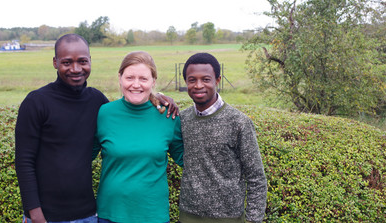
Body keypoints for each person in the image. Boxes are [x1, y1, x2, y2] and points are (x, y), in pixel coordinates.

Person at [15, 34, 177, 223]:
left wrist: (156, 97)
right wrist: (35, 214)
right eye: (67, 62)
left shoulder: (97, 102)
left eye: (82, 61)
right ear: (55, 62)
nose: (75, 69)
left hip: (89, 215)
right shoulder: (36, 102)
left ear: (90, 61)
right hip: (47, 216)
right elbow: (24, 162)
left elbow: (126, 116)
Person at [93, 51, 184, 223]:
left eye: (143, 79)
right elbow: (82, 157)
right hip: (110, 214)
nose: (136, 85)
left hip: (153, 215)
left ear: (153, 81)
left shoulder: (169, 117)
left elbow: (188, 161)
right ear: (120, 78)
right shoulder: (104, 113)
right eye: (129, 78)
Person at [178, 53, 267, 223]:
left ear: (217, 80)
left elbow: (256, 178)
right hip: (188, 217)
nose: (198, 85)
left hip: (229, 218)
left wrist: (253, 219)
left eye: (205, 79)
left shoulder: (239, 122)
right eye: (192, 80)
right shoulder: (182, 120)